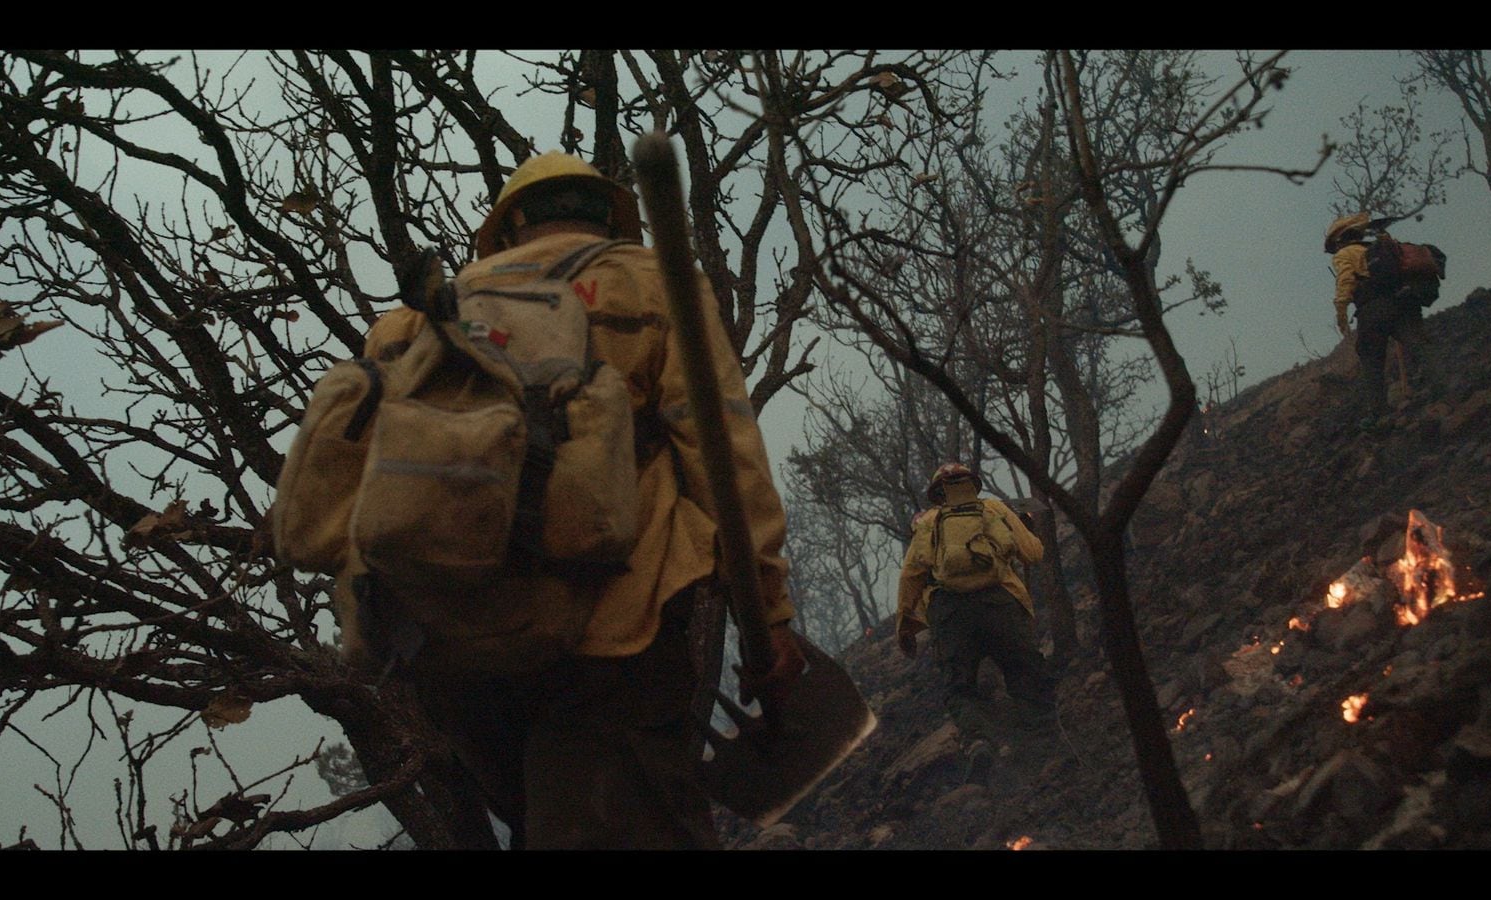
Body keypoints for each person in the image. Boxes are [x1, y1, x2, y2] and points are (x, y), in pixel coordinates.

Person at [362, 151, 801, 849]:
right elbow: (722, 455)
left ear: (509, 229)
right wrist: (768, 615)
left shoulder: (415, 323)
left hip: (454, 646)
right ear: (607, 216)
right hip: (614, 634)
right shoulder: (654, 284)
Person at [894, 462, 1056, 785]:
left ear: (938, 492)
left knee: (960, 687)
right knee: (1023, 669)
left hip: (951, 614)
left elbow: (910, 575)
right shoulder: (993, 509)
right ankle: (1041, 742)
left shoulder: (929, 522)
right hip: (999, 604)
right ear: (972, 484)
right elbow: (1033, 554)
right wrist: (1027, 529)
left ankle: (979, 741)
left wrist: (904, 625)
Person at [1327, 211, 1436, 430]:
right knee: (1418, 344)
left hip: (1374, 309)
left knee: (1371, 358)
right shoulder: (1380, 247)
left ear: (1340, 239)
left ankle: (1378, 412)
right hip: (1405, 301)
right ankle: (1442, 379)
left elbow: (1346, 281)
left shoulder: (1346, 254)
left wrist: (1341, 314)